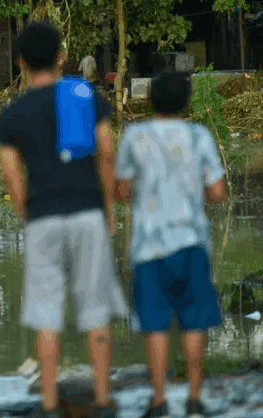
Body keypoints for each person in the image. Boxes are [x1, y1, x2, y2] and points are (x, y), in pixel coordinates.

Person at [0, 21, 129, 418]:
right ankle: (102, 399)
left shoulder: (12, 113)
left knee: (46, 317)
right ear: (60, 57)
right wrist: (108, 208)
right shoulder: (84, 96)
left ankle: (50, 405)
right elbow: (106, 152)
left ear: (21, 62)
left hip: (43, 220)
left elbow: (11, 174)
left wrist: (28, 214)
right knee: (96, 311)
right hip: (87, 214)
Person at [114, 69, 227, 418]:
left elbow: (121, 189)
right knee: (194, 321)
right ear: (186, 102)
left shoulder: (135, 136)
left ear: (150, 100)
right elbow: (217, 191)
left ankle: (159, 400)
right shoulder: (199, 136)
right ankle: (193, 397)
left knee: (154, 324)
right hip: (191, 242)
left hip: (149, 246)